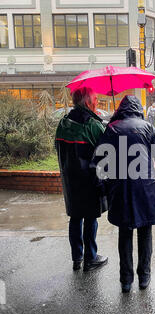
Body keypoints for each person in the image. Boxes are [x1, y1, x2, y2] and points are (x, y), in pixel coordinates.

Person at [91, 96, 155, 293]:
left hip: (120, 189)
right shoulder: (147, 128)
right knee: (145, 232)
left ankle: (126, 280)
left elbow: (98, 163)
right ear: (138, 109)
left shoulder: (111, 129)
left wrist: (103, 188)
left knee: (125, 232)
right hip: (146, 188)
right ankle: (144, 276)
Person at [55, 87, 108, 272]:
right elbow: (106, 151)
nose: (97, 101)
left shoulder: (63, 123)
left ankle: (77, 258)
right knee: (91, 218)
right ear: (87, 102)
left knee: (75, 217)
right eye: (96, 98)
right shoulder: (92, 125)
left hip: (70, 181)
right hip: (89, 181)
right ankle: (90, 258)